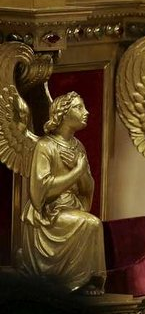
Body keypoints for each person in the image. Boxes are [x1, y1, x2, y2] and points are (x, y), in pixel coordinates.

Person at [19, 91, 106, 295]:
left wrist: (81, 172)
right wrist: (76, 172)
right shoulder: (45, 146)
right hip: (48, 214)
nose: (86, 112)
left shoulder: (79, 147)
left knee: (91, 222)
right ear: (63, 114)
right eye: (78, 107)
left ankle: (89, 279)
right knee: (92, 224)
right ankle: (80, 280)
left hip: (71, 208)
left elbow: (88, 189)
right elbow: (40, 190)